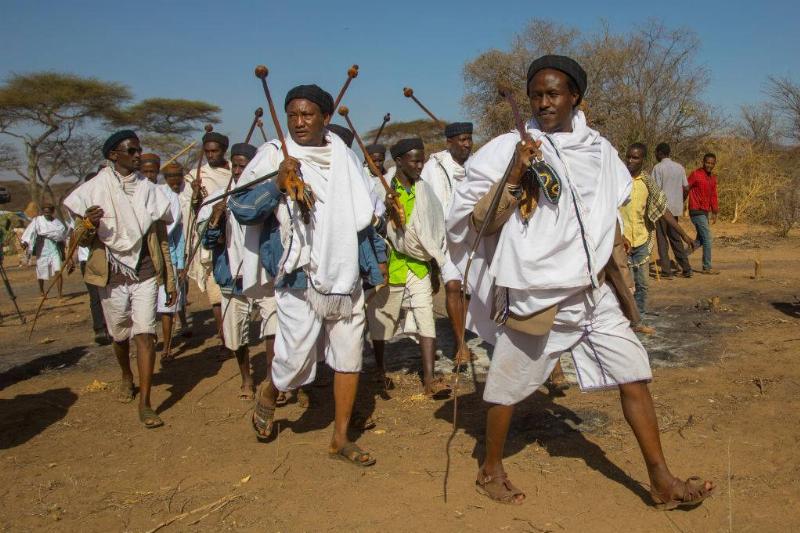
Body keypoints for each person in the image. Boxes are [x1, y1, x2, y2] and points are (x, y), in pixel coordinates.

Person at [448, 55, 714, 507]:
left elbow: (606, 211)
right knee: (507, 388)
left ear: (576, 98)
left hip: (592, 293)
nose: (544, 102)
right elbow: (478, 223)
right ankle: (490, 468)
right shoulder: (504, 149)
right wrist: (515, 173)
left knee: (634, 376)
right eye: (536, 95)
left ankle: (661, 481)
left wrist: (610, 253)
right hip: (537, 294)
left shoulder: (600, 152)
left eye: (553, 94)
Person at [229, 84, 383, 466]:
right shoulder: (273, 155)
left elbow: (364, 215)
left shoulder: (345, 157)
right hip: (299, 273)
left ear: (325, 118)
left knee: (349, 357)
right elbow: (241, 208)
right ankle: (270, 391)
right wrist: (276, 185)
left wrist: (373, 263)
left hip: (346, 274)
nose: (298, 122)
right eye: (293, 115)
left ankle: (340, 438)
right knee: (295, 362)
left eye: (307, 115)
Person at [64, 130, 177, 429]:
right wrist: (90, 222)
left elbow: (161, 236)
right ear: (114, 155)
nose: (138, 155)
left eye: (139, 150)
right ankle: (127, 375)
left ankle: (146, 403)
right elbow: (82, 240)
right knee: (119, 334)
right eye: (132, 151)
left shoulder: (150, 190)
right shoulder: (93, 190)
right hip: (111, 274)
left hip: (144, 272)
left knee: (145, 333)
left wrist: (170, 277)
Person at [367, 137, 451, 397]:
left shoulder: (425, 192)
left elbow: (435, 232)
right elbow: (371, 227)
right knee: (381, 321)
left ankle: (429, 380)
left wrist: (435, 268)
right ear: (400, 161)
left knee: (426, 318)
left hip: (419, 266)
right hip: (390, 265)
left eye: (422, 160)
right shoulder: (381, 191)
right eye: (415, 160)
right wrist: (386, 219)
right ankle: (379, 372)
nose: (420, 165)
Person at [199, 143, 277, 400]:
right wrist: (214, 219)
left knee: (273, 327)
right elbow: (208, 243)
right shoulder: (218, 198)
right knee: (236, 333)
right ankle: (246, 378)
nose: (239, 170)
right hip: (232, 276)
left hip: (264, 274)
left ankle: (269, 380)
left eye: (245, 166)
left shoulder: (268, 194)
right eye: (236, 165)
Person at [620, 143, 695, 335]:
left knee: (642, 284)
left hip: (643, 239)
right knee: (624, 285)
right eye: (628, 156)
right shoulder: (617, 179)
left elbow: (663, 211)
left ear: (643, 160)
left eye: (635, 158)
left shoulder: (647, 182)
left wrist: (684, 234)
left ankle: (638, 320)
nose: (630, 161)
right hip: (621, 242)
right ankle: (622, 322)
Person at [421, 121, 474, 364]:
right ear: (449, 142)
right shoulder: (435, 167)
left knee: (468, 290)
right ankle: (460, 345)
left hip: (474, 237)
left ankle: (463, 333)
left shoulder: (475, 165)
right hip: (445, 238)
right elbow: (428, 204)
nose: (467, 144)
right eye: (462, 140)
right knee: (453, 286)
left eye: (469, 139)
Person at [182, 131, 232, 351]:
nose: (211, 155)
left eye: (215, 151)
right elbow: (190, 211)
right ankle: (223, 338)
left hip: (234, 237)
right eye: (207, 151)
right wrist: (196, 197)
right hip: (210, 239)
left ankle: (235, 334)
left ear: (224, 151)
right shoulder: (196, 176)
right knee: (216, 292)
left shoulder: (236, 170)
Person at [156, 162, 188, 364]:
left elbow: (177, 236)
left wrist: (180, 263)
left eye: (179, 180)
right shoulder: (156, 194)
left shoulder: (176, 200)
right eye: (172, 180)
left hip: (170, 257)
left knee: (168, 304)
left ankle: (167, 347)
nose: (175, 184)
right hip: (149, 257)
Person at [76, 171, 110, 345]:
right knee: (95, 296)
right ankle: (100, 328)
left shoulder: (109, 203)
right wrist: (90, 222)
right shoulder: (80, 207)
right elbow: (79, 237)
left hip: (109, 257)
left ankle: (111, 326)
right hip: (88, 259)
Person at [652, 143, 692, 278]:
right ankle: (686, 268)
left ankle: (666, 271)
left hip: (662, 210)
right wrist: (681, 199)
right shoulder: (679, 167)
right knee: (676, 239)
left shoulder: (658, 168)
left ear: (659, 153)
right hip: (675, 209)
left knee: (662, 240)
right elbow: (686, 188)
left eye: (656, 153)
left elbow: (654, 190)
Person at [21, 202, 67, 298]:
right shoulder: (37, 221)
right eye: (45, 212)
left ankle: (60, 294)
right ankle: (42, 291)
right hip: (42, 249)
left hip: (54, 249)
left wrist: (63, 252)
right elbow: (30, 231)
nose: (47, 213)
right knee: (41, 271)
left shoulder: (57, 223)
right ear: (43, 212)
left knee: (58, 270)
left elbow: (61, 236)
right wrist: (25, 241)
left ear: (52, 212)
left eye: (49, 212)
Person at [687, 153, 720, 274]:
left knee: (699, 241)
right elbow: (685, 188)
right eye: (708, 162)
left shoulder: (713, 178)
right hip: (696, 210)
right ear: (703, 162)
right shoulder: (696, 174)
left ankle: (682, 257)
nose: (709, 165)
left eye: (712, 163)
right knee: (707, 238)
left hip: (705, 211)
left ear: (714, 164)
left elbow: (713, 196)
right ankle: (707, 267)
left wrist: (715, 211)